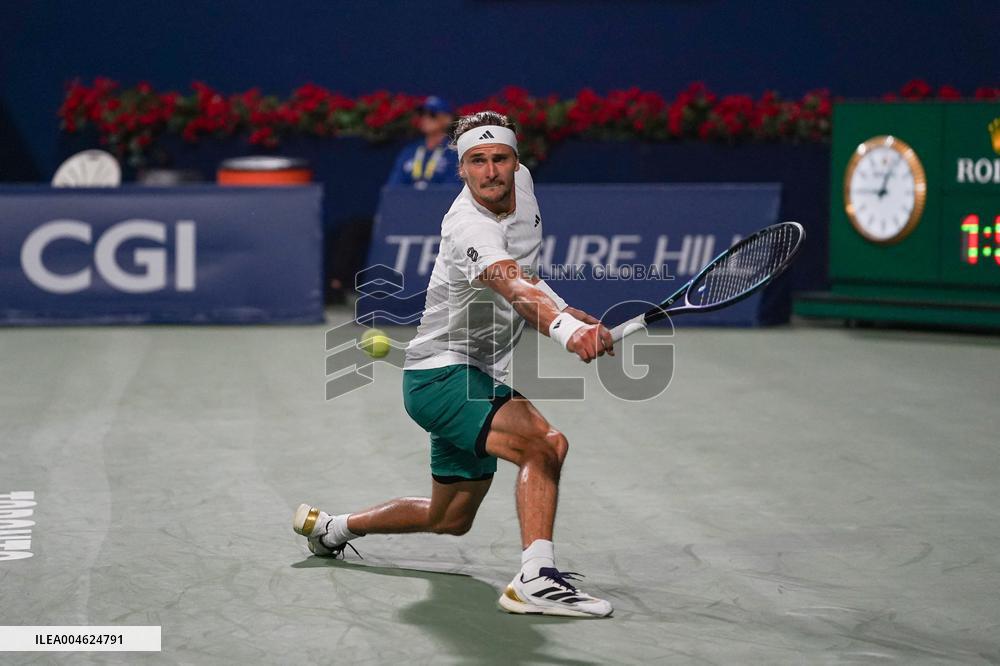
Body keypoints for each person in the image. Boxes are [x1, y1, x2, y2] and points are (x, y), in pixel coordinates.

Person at [294, 111, 616, 618]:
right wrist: (565, 330)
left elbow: (528, 276)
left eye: (500, 159)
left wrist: (563, 308)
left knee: (450, 519)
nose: (490, 172)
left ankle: (333, 528)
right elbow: (512, 285)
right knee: (545, 445)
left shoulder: (523, 187)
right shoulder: (468, 224)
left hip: (474, 376)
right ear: (461, 169)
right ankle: (536, 578)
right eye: (476, 161)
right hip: (442, 377)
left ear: (517, 162)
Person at [385, 96, 462, 190]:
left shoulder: (454, 152)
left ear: (448, 119)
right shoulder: (409, 151)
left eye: (432, 114)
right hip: (408, 199)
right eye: (422, 114)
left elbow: (452, 189)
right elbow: (393, 188)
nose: (425, 118)